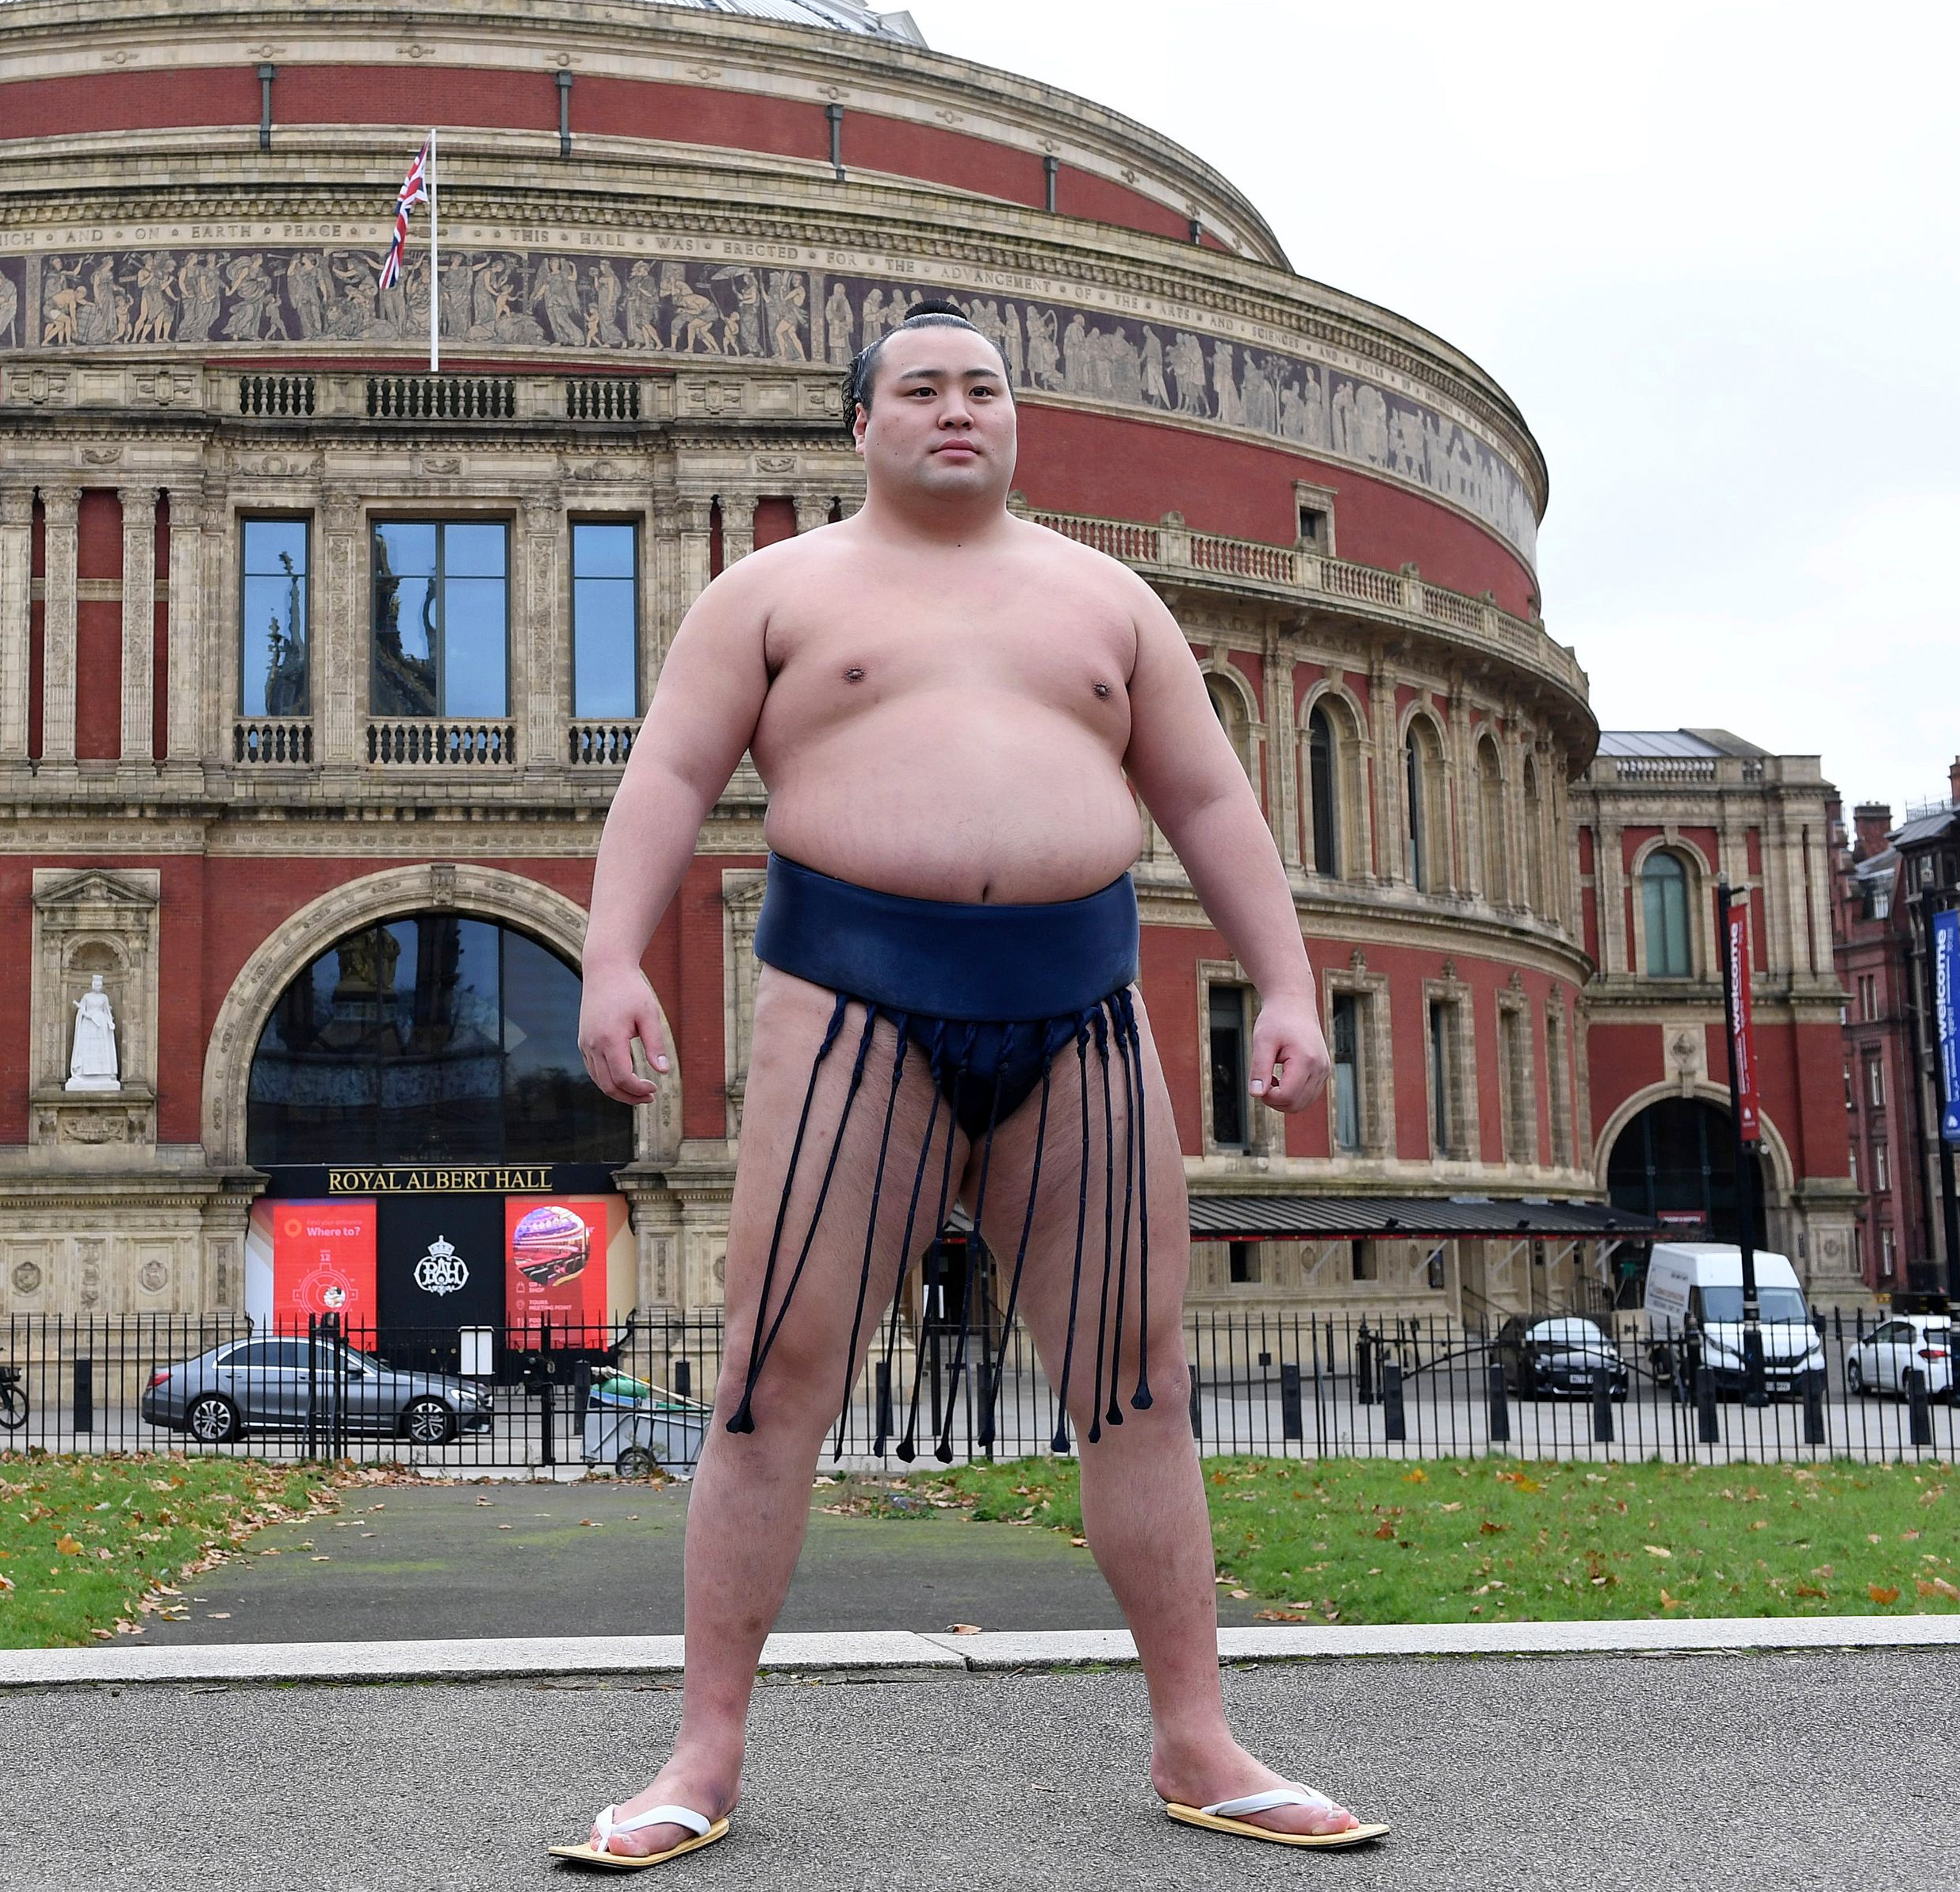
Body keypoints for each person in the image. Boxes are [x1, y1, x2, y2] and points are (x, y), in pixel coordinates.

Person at [551, 304, 1376, 1868]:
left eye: (982, 388)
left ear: (1017, 422)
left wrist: (1285, 980)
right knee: (768, 1380)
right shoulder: (773, 591)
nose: (955, 410)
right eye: (920, 388)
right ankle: (701, 1750)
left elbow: (1205, 791)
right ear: (859, 424)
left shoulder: (1106, 598)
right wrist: (611, 959)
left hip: (1082, 1008)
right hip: (852, 1002)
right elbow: (666, 771)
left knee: (1135, 1382)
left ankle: (1198, 1734)